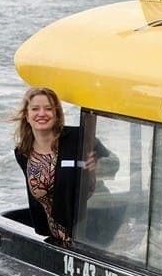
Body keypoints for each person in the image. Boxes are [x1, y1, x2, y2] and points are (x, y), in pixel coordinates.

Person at [13, 87, 98, 245]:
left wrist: (98, 165)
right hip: (55, 240)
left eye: (48, 108)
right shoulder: (22, 152)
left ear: (57, 114)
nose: (42, 114)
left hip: (87, 238)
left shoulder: (79, 138)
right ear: (27, 115)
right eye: (35, 109)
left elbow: (114, 163)